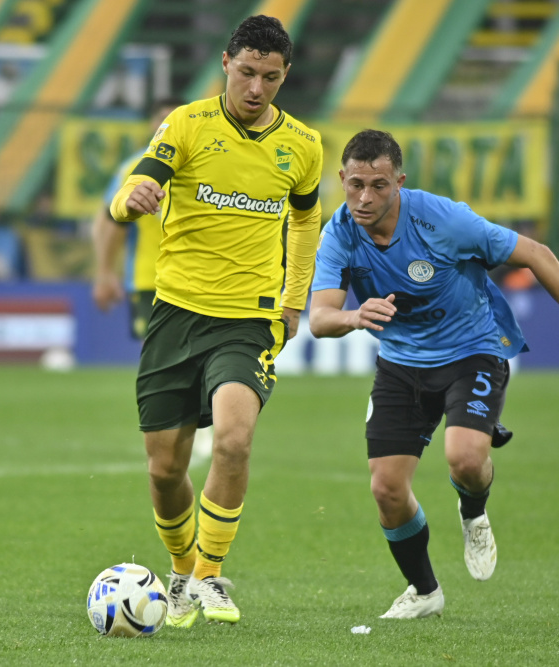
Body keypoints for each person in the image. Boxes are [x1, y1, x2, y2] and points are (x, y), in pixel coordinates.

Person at [309, 130, 559, 619]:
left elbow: (536, 253)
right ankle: (425, 591)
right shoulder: (339, 232)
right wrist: (352, 316)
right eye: (355, 185)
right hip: (400, 364)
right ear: (342, 180)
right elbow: (320, 317)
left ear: (399, 182)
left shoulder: (443, 219)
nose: (365, 198)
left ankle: (473, 511)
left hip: (472, 350)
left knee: (465, 459)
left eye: (378, 185)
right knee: (386, 489)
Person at [104, 15, 323, 627]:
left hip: (247, 320)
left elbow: (306, 221)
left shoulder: (303, 145)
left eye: (271, 78)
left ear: (284, 76)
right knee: (165, 468)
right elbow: (136, 185)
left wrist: (294, 298)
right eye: (248, 73)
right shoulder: (187, 123)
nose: (257, 89)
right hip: (175, 313)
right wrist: (131, 201)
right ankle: (179, 569)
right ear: (226, 63)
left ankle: (209, 575)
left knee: (232, 438)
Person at [91, 97, 214, 466]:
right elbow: (108, 221)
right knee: (166, 357)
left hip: (201, 279)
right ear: (152, 127)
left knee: (203, 354)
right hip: (149, 280)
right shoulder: (135, 169)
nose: (167, 128)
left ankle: (200, 429)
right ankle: (178, 429)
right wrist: (105, 272)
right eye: (161, 121)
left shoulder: (205, 164)